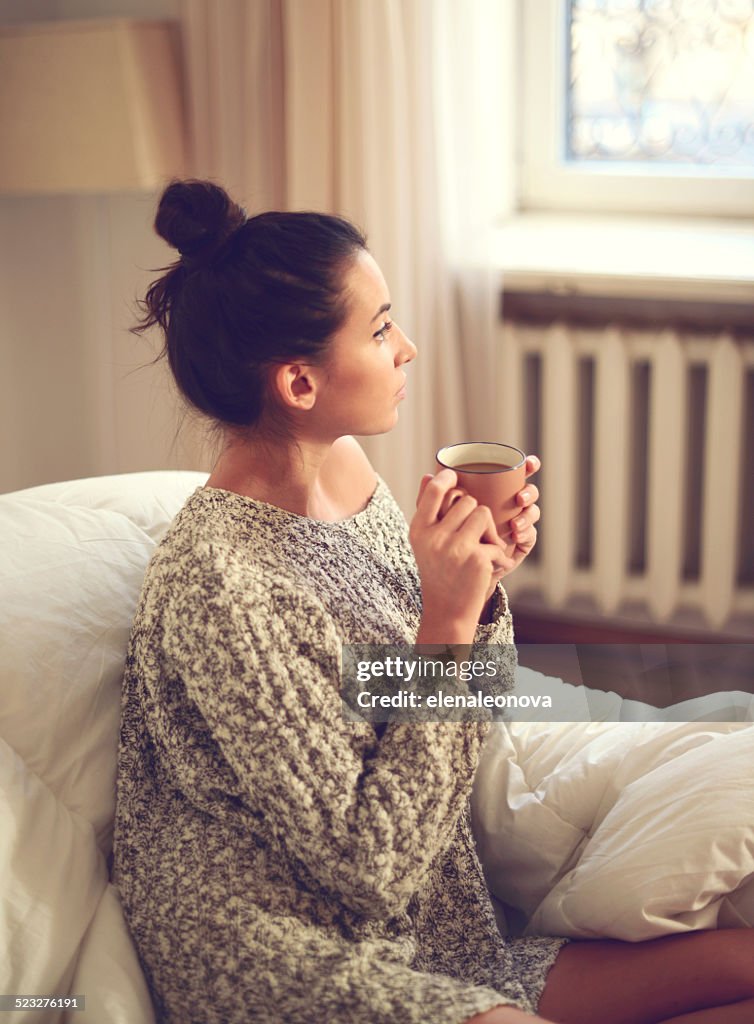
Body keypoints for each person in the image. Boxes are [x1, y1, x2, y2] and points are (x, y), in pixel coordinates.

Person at [113, 179, 754, 1024]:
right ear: (299, 384)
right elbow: (370, 865)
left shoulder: (343, 471)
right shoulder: (222, 585)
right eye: (380, 331)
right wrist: (449, 624)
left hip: (441, 916)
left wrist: (480, 590)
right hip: (289, 949)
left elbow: (425, 702)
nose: (407, 348)